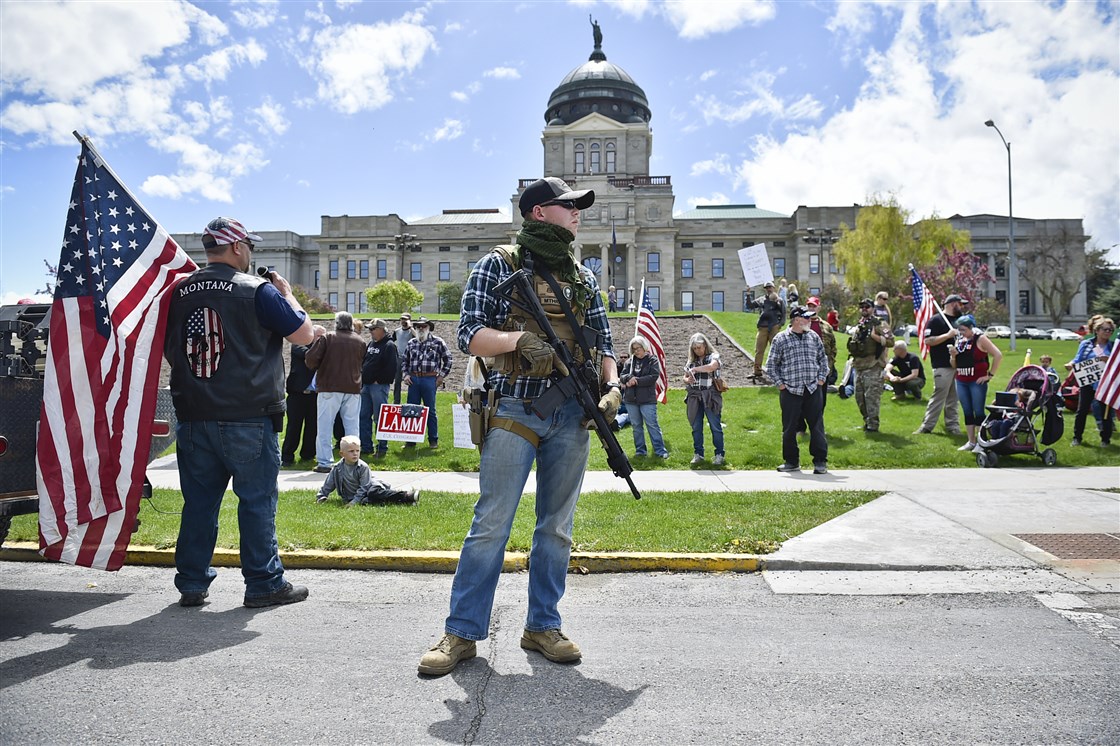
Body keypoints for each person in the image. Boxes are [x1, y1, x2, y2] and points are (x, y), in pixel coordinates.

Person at [418, 176, 618, 676]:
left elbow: (606, 345)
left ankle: (542, 625)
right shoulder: (498, 264)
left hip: (572, 413)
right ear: (536, 213)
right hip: (514, 408)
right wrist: (516, 343)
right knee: (491, 526)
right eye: (567, 205)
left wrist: (612, 388)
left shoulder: (584, 277)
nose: (577, 213)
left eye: (578, 207)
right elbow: (469, 335)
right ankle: (461, 633)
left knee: (556, 528)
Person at [164, 216, 312, 609]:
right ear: (237, 247)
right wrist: (287, 294)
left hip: (194, 414)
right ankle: (264, 583)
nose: (250, 252)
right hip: (249, 415)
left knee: (198, 503)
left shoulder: (178, 293)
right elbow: (304, 334)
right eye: (249, 245)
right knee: (257, 501)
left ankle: (192, 583)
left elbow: (169, 349)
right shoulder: (257, 290)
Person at [767, 305, 830, 474]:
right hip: (790, 391)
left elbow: (823, 360)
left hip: (812, 388)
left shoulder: (814, 337)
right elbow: (771, 365)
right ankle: (791, 462)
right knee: (789, 428)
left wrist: (822, 379)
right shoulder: (780, 339)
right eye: (806, 317)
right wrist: (780, 384)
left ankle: (820, 461)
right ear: (796, 320)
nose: (810, 320)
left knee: (817, 426)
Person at [307, 311, 366, 473]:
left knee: (325, 426)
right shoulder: (360, 340)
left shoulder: (328, 338)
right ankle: (354, 460)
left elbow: (311, 359)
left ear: (337, 323)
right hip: (353, 387)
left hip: (329, 386)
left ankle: (325, 462)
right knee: (352, 426)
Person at [914, 294, 968, 435]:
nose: (962, 307)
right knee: (939, 396)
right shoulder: (936, 320)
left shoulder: (960, 321)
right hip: (942, 365)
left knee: (953, 399)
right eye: (960, 304)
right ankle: (927, 426)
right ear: (951, 304)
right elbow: (928, 341)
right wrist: (947, 335)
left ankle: (953, 426)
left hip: (958, 365)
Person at [315, 436, 419, 506]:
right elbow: (328, 484)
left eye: (357, 451)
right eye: (351, 451)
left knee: (375, 494)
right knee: (374, 502)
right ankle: (407, 501)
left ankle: (406, 495)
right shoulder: (337, 468)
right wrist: (322, 496)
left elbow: (364, 487)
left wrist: (353, 502)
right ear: (342, 454)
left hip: (370, 488)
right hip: (360, 497)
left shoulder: (362, 466)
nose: (355, 454)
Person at [949, 314, 1002, 451]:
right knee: (967, 411)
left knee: (978, 411)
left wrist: (989, 375)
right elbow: (954, 365)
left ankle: (981, 442)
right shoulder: (960, 341)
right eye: (959, 330)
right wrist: (953, 356)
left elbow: (998, 355)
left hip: (976, 380)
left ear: (971, 328)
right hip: (961, 379)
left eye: (963, 330)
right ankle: (971, 441)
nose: (961, 333)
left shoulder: (981, 339)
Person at [402, 316, 453, 448]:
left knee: (430, 410)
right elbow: (404, 361)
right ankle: (410, 441)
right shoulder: (411, 343)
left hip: (430, 379)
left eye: (423, 326)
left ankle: (433, 440)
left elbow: (448, 359)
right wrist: (406, 375)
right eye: (418, 326)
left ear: (429, 328)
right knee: (411, 410)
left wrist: (441, 376)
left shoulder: (438, 342)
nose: (421, 328)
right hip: (413, 379)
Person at [1067, 315, 1115, 447]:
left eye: (1110, 330)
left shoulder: (1113, 346)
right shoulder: (1086, 344)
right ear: (1097, 330)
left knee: (1105, 411)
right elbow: (1078, 359)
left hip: (1105, 382)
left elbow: (1117, 363)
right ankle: (1077, 438)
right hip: (1088, 380)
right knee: (1082, 410)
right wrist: (1071, 364)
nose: (1108, 332)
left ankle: (1105, 439)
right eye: (1105, 329)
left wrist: (1109, 360)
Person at [281, 324, 324, 466]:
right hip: (297, 394)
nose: (322, 340)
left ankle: (308, 454)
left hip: (314, 395)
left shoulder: (323, 351)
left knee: (312, 426)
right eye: (319, 336)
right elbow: (309, 357)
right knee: (294, 426)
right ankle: (287, 457)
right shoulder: (299, 346)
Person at [848, 298, 892, 432]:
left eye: (867, 306)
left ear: (872, 308)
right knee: (859, 397)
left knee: (871, 397)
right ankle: (866, 421)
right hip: (859, 365)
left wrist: (876, 338)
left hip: (873, 365)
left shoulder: (879, 323)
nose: (864, 309)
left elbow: (891, 341)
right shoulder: (860, 324)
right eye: (862, 307)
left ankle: (873, 425)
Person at [621, 335, 668, 459]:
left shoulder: (652, 360)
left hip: (647, 399)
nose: (637, 351)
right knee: (636, 426)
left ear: (644, 347)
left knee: (652, 425)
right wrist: (628, 378)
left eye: (639, 348)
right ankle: (640, 451)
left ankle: (660, 451)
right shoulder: (629, 362)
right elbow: (622, 375)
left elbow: (653, 376)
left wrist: (636, 381)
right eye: (634, 349)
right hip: (631, 399)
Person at [684, 332, 725, 466]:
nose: (697, 350)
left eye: (699, 347)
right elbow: (685, 377)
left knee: (715, 426)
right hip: (695, 396)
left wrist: (695, 369)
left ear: (705, 346)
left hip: (710, 395)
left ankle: (719, 454)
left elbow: (712, 367)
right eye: (694, 348)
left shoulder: (714, 356)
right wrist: (687, 379)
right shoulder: (691, 361)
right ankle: (698, 454)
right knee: (696, 427)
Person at [797, 296, 836, 436]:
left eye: (814, 306)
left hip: (822, 371)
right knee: (801, 400)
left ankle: (817, 428)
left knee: (820, 401)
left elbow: (833, 347)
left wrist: (829, 366)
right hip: (804, 370)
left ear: (819, 308)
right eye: (809, 306)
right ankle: (800, 428)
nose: (811, 308)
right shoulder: (800, 324)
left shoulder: (826, 326)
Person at [360, 318, 398, 457]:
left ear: (381, 329)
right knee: (363, 416)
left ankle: (382, 447)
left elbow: (391, 368)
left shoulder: (389, 346)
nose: (370, 332)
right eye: (369, 329)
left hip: (378, 387)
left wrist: (379, 380)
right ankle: (366, 446)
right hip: (366, 386)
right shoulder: (371, 344)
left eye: (373, 329)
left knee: (380, 418)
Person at [750, 280, 784, 380]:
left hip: (774, 326)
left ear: (774, 288)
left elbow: (783, 312)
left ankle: (778, 371)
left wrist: (780, 324)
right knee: (759, 349)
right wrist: (748, 294)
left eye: (770, 287)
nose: (769, 289)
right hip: (763, 327)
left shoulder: (779, 300)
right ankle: (757, 371)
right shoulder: (761, 299)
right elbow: (750, 305)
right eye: (767, 288)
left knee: (777, 350)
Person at [391, 313, 415, 404]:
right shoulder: (397, 331)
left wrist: (411, 327)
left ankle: (411, 401)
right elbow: (390, 341)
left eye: (405, 319)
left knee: (411, 381)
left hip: (410, 360)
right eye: (402, 319)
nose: (403, 321)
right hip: (399, 359)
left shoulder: (412, 332)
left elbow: (418, 338)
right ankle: (396, 402)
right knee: (397, 382)